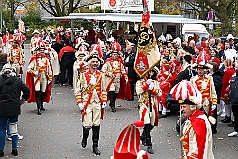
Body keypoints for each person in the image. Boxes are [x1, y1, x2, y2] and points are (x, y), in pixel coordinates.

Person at [171, 80, 214, 159]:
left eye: (184, 107)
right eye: (181, 107)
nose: (182, 110)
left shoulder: (199, 121)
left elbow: (198, 149)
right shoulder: (192, 118)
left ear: (192, 107)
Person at [75, 51, 107, 155]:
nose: (94, 63)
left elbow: (103, 89)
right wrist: (79, 102)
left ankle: (95, 146)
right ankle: (85, 137)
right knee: (88, 124)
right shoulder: (83, 75)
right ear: (89, 63)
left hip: (97, 102)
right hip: (87, 102)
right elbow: (78, 89)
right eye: (93, 62)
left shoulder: (101, 75)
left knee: (96, 124)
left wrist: (104, 100)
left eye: (96, 62)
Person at [0, 64, 30, 157]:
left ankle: (1, 150)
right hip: (14, 107)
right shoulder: (18, 80)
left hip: (2, 107)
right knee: (13, 128)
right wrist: (22, 100)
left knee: (2, 128)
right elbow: (27, 91)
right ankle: (14, 149)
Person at [190, 52, 217, 132]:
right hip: (198, 103)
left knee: (207, 118)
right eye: (199, 69)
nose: (200, 71)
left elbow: (213, 92)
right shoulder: (193, 79)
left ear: (205, 70)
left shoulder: (209, 78)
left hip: (207, 102)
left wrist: (214, 102)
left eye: (201, 69)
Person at [136, 69, 161, 154]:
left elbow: (160, 93)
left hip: (153, 105)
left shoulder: (156, 82)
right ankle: (149, 144)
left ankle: (143, 136)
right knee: (146, 122)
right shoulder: (139, 82)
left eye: (151, 72)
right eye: (148, 72)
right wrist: (146, 85)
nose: (150, 73)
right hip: (143, 104)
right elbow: (138, 91)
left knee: (152, 124)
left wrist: (153, 89)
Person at [26, 47, 53, 115]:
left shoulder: (47, 59)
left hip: (44, 77)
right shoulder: (34, 60)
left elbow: (50, 70)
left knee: (43, 92)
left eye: (43, 51)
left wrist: (50, 78)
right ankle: (38, 108)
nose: (42, 52)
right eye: (40, 51)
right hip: (37, 78)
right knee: (37, 92)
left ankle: (41, 104)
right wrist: (34, 72)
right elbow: (29, 69)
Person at [101, 48, 129, 112]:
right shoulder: (107, 63)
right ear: (111, 55)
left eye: (116, 55)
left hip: (117, 80)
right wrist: (108, 73)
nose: (115, 56)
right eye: (113, 54)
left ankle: (112, 102)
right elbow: (103, 71)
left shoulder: (120, 63)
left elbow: (123, 71)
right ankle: (113, 105)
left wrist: (126, 77)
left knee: (116, 91)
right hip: (110, 80)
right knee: (112, 90)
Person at [227, 60, 238, 137]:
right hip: (234, 100)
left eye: (237, 67)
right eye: (236, 67)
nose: (236, 68)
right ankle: (236, 130)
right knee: (236, 115)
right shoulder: (234, 77)